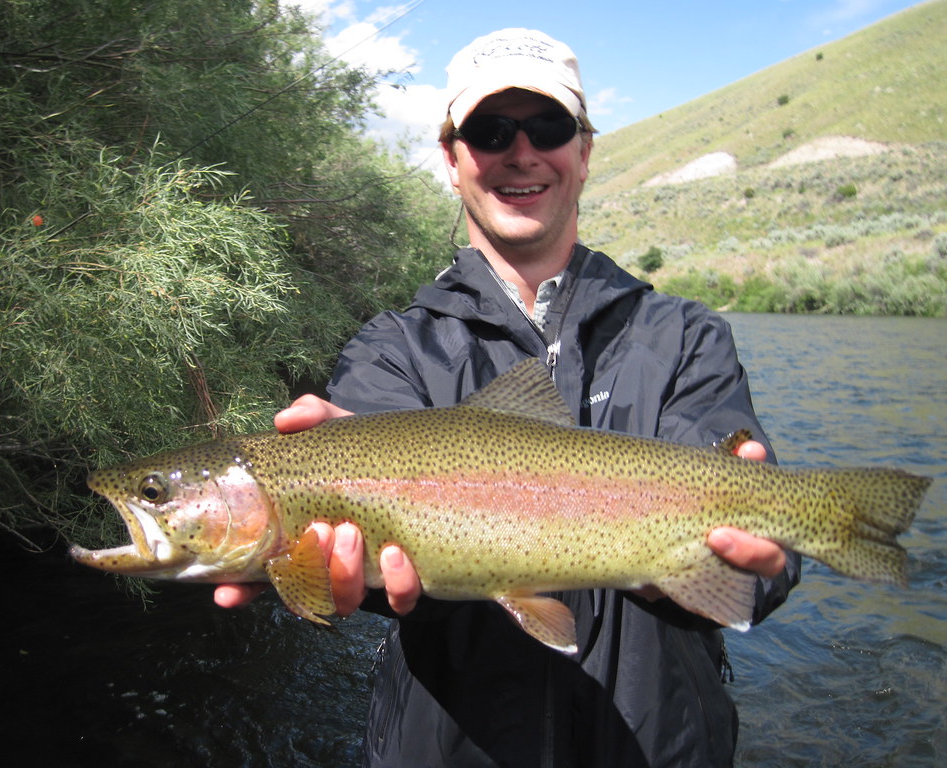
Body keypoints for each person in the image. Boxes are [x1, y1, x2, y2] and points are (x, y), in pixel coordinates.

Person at [216, 28, 799, 767]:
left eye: (547, 127)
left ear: (584, 151)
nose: (521, 152)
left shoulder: (686, 338)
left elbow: (763, 565)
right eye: (491, 131)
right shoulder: (390, 350)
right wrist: (329, 525)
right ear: (452, 159)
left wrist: (759, 561)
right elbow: (363, 570)